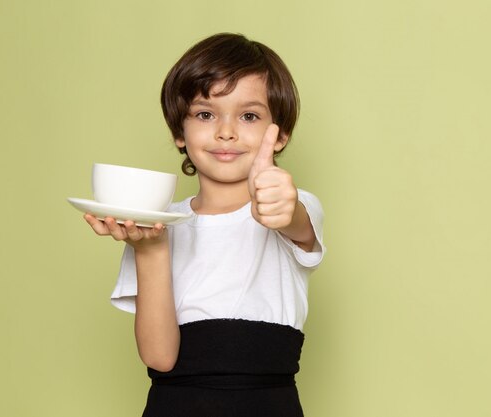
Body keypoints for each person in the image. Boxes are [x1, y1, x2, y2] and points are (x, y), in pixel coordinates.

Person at [84, 33, 325, 417]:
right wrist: (149, 248)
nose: (225, 131)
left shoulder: (295, 205)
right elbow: (160, 359)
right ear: (180, 133)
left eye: (249, 115)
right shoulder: (154, 227)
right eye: (205, 114)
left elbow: (295, 222)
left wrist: (282, 204)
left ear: (279, 135)